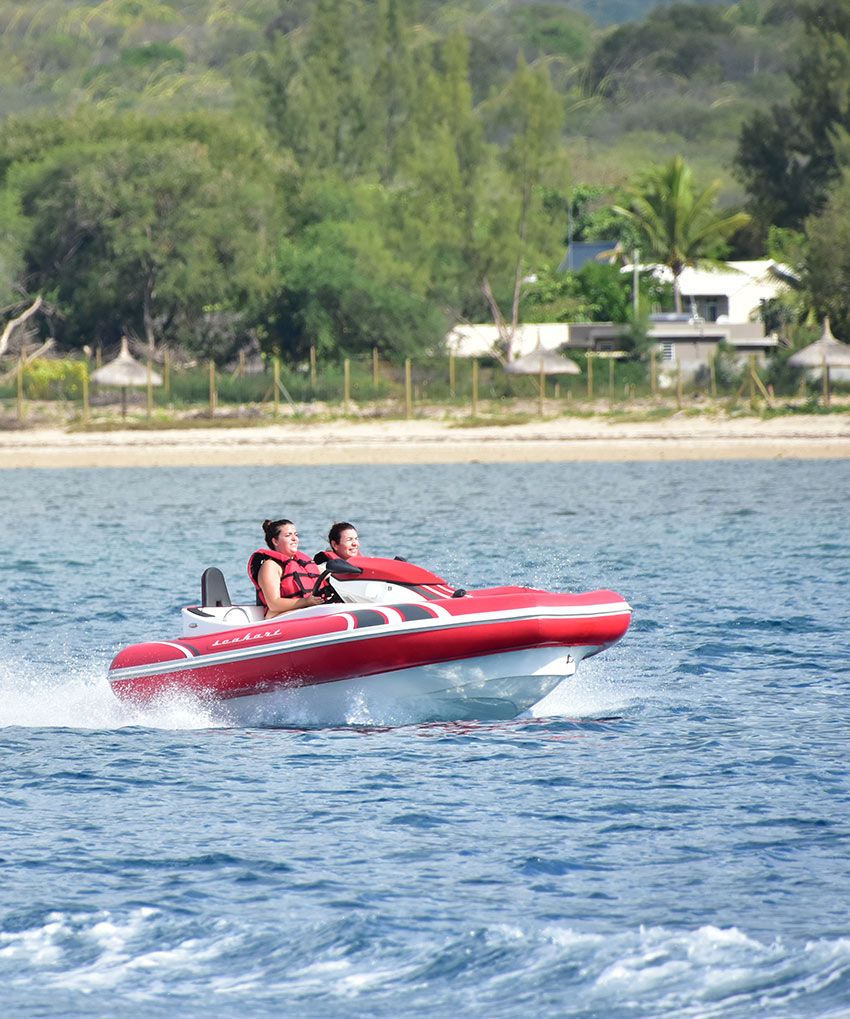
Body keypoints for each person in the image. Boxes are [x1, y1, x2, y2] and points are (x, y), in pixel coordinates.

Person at [247, 518, 324, 618]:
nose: (294, 539)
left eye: (296, 535)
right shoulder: (270, 566)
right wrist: (305, 601)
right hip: (279, 618)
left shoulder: (303, 565)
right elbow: (274, 604)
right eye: (288, 535)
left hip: (307, 612)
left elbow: (327, 572)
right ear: (275, 541)